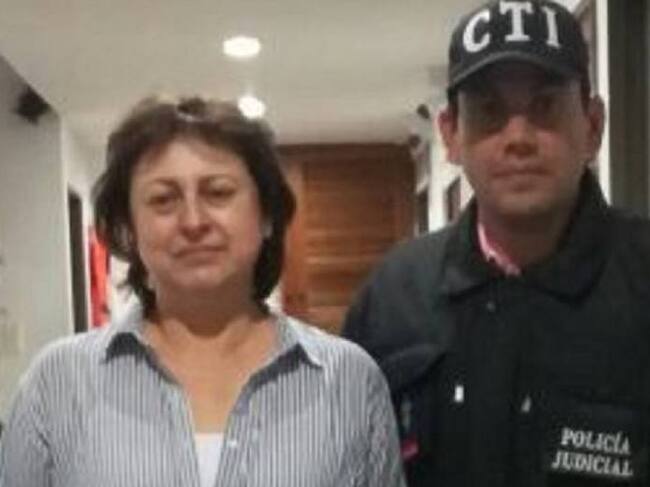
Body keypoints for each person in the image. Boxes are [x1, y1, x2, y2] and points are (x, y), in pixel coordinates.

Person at [0, 96, 405, 487]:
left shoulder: (348, 379)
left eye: (218, 192)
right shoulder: (58, 383)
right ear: (129, 228)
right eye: (163, 199)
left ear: (266, 214)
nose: (193, 221)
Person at [343, 1, 650, 486]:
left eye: (545, 106)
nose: (518, 137)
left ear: (592, 125)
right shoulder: (393, 294)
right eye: (490, 111)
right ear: (451, 134)